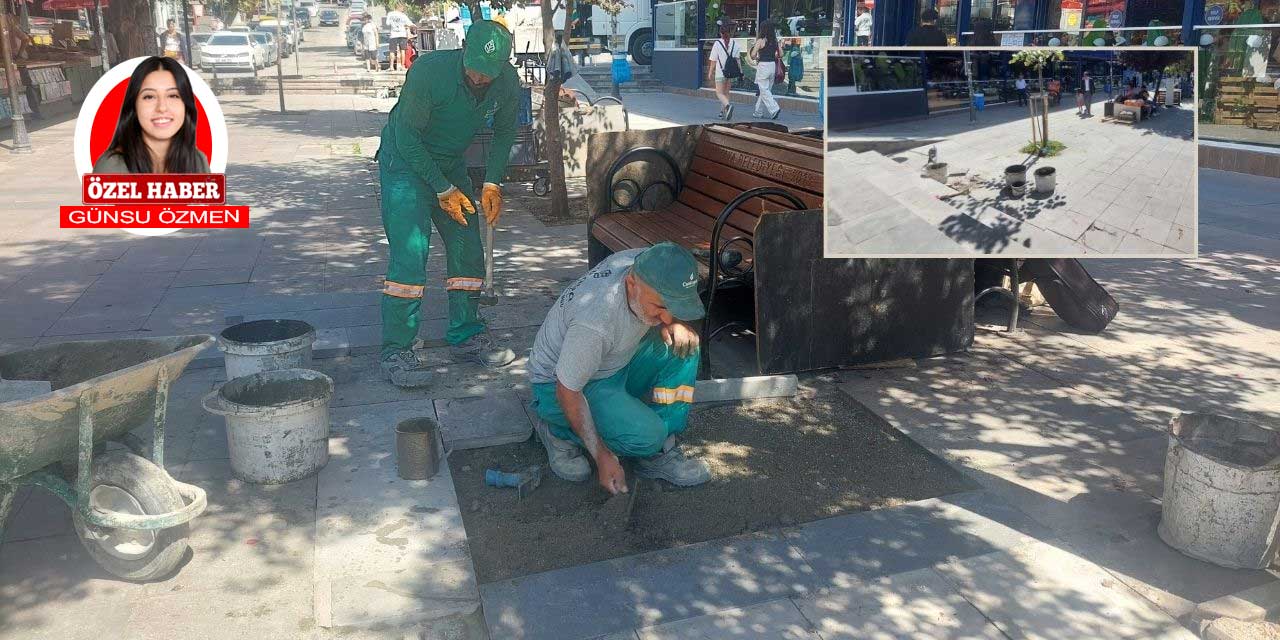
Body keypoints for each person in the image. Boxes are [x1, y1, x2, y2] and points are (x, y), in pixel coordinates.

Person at [376, 20, 520, 387]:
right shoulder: (429, 72)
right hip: (404, 164)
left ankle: (466, 333)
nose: (478, 78)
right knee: (411, 253)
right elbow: (406, 136)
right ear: (463, 51)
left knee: (467, 246)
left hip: (450, 164)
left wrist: (492, 182)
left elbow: (505, 132)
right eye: (473, 67)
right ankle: (397, 350)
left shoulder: (507, 82)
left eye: (488, 72)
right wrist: (441, 189)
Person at [527, 242, 712, 492]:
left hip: (612, 363)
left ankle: (659, 450)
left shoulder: (645, 262)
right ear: (631, 284)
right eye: (660, 307)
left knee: (685, 345)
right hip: (563, 388)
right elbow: (567, 391)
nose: (667, 318)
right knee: (646, 436)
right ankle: (557, 430)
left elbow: (666, 305)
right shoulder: (595, 323)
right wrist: (601, 455)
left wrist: (673, 320)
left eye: (673, 307)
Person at [93, 56, 210, 174]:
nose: (162, 108)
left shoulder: (198, 162)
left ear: (186, 105)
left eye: (173, 95)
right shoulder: (111, 168)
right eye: (149, 97)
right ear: (134, 105)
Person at [707, 19, 739, 121]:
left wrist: (710, 72)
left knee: (719, 93)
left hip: (721, 73)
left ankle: (728, 106)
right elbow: (738, 60)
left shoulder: (717, 44)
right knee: (726, 93)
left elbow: (713, 60)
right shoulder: (735, 43)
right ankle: (723, 113)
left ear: (721, 33)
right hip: (730, 73)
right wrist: (741, 72)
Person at [750, 21, 782, 120]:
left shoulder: (760, 41)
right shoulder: (775, 41)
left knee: (764, 90)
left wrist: (757, 57)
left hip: (763, 66)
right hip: (773, 65)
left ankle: (774, 109)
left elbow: (753, 55)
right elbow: (781, 54)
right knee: (765, 90)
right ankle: (758, 112)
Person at [384, 7, 413, 71]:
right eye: (402, 8)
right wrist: (415, 26)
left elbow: (387, 23)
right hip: (402, 34)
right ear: (400, 8)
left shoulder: (390, 14)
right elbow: (409, 23)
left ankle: (391, 66)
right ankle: (402, 66)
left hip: (393, 34)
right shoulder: (403, 15)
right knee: (402, 50)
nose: (403, 9)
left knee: (392, 51)